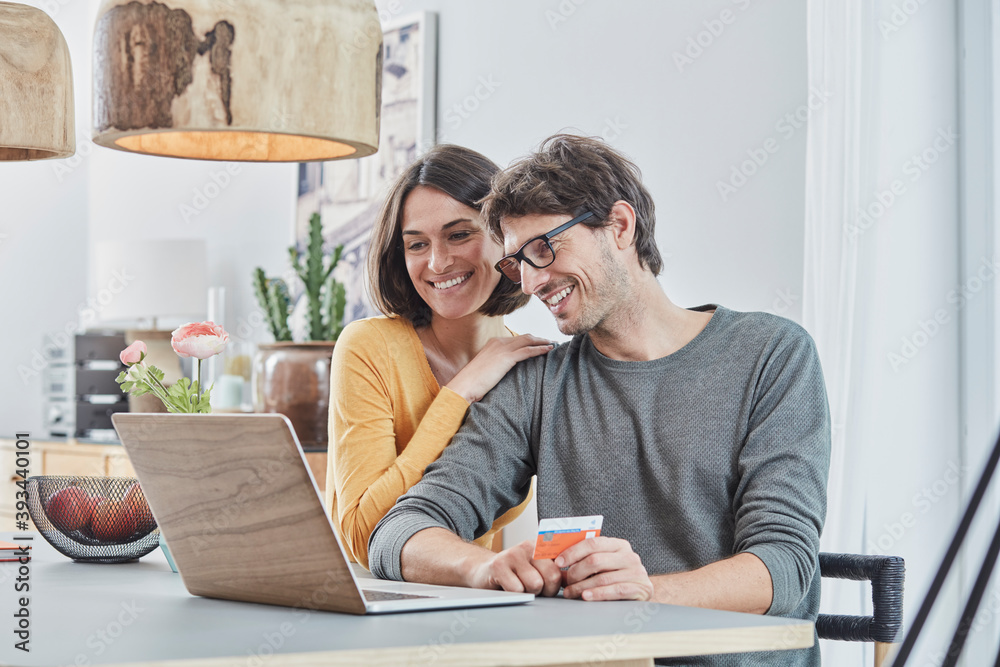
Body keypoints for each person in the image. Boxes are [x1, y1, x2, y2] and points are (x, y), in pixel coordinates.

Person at [368, 135, 831, 667]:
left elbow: (787, 564)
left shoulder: (771, 355)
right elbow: (399, 532)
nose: (535, 281)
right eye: (519, 262)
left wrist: (644, 594)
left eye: (545, 248)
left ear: (620, 227)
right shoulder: (536, 384)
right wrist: (481, 569)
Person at [325, 144, 553, 570]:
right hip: (371, 603)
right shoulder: (369, 347)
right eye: (416, 245)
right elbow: (362, 534)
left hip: (469, 599)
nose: (437, 262)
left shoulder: (529, 366)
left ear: (505, 238)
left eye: (459, 234)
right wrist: (461, 391)